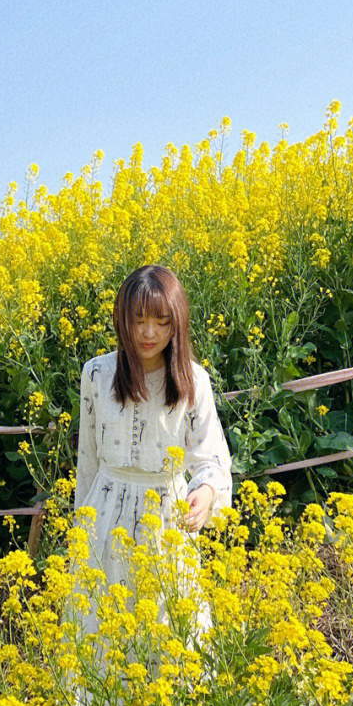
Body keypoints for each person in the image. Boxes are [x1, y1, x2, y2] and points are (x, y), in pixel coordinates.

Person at [73, 264, 232, 638]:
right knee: (101, 627)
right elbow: (88, 460)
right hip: (105, 518)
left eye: (162, 321)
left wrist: (207, 493)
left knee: (169, 631)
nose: (149, 333)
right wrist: (81, 533)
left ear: (177, 323)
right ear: (121, 318)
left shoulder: (194, 379)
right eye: (138, 319)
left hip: (165, 523)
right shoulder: (96, 374)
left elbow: (212, 455)